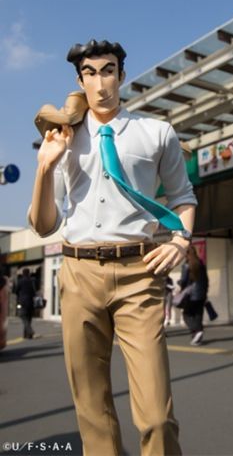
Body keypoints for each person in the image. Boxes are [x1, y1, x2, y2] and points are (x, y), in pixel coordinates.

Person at [28, 37, 197, 456]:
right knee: (92, 412)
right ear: (79, 80)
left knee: (157, 416)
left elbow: (183, 197)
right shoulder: (64, 138)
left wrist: (180, 241)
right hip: (78, 274)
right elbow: (45, 225)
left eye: (108, 71)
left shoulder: (156, 132)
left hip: (140, 274)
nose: (100, 82)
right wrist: (46, 167)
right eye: (90, 73)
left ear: (122, 76)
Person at [174, 244, 209, 345]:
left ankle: (197, 331)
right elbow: (206, 280)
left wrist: (179, 283)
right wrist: (205, 293)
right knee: (198, 315)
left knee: (186, 315)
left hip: (191, 295)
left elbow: (184, 281)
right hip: (201, 294)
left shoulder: (187, 265)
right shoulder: (201, 263)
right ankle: (197, 338)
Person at [15, 266, 36, 339]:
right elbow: (34, 292)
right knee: (29, 318)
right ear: (28, 273)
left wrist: (19, 295)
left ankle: (30, 331)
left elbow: (16, 291)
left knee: (23, 316)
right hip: (30, 302)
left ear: (23, 273)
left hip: (23, 302)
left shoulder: (20, 281)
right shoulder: (31, 281)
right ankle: (27, 335)